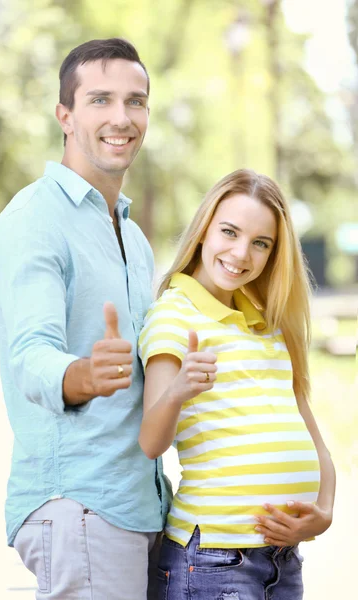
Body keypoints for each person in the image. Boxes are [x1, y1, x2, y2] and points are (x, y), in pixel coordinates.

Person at [0, 38, 170, 600]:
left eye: (135, 102)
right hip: (81, 506)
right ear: (64, 115)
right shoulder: (33, 221)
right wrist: (82, 375)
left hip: (138, 505)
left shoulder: (131, 236)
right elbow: (31, 355)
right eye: (100, 100)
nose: (121, 118)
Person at [138, 169, 335, 600]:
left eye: (260, 243)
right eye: (230, 232)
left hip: (282, 560)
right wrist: (179, 390)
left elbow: (312, 436)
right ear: (204, 229)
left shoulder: (269, 325)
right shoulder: (175, 313)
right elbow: (151, 442)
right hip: (213, 560)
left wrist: (324, 512)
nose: (241, 252)